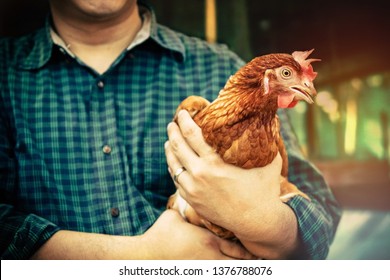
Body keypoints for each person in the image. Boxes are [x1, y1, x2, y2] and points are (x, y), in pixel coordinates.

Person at [0, 0, 340, 259]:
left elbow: (319, 214)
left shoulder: (219, 65)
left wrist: (260, 219)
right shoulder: (5, 74)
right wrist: (146, 258)